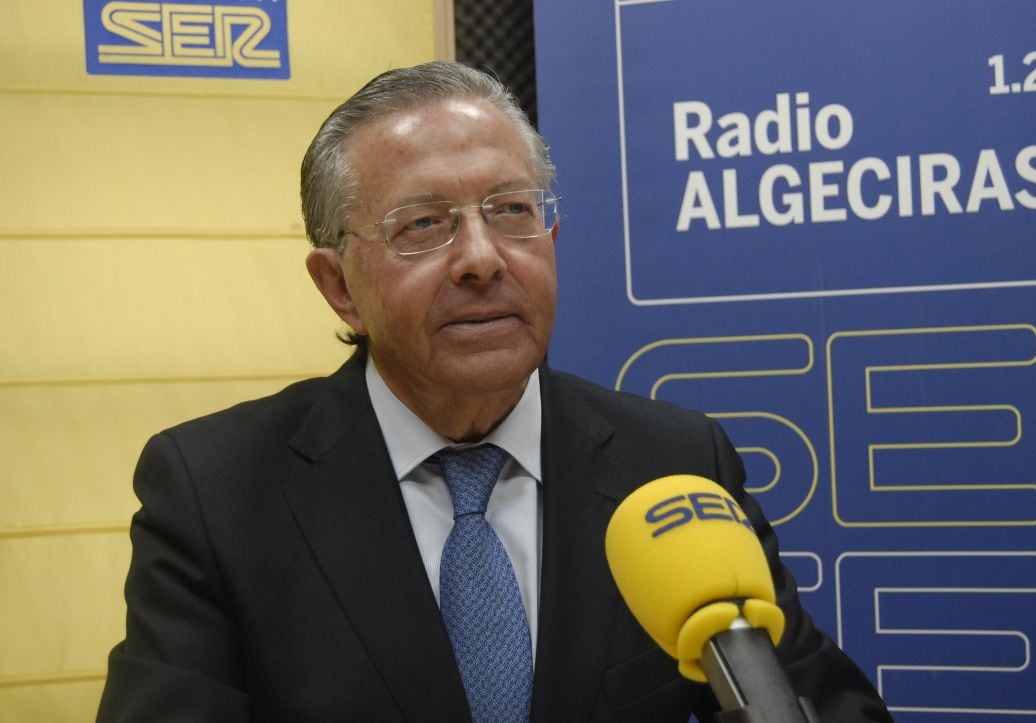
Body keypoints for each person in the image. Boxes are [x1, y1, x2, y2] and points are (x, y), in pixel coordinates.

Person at [97, 61, 892, 722]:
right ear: (338, 286)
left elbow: (815, 702)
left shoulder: (675, 463)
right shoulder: (216, 491)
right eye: (423, 224)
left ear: (551, 238)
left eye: (512, 211)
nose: (481, 257)